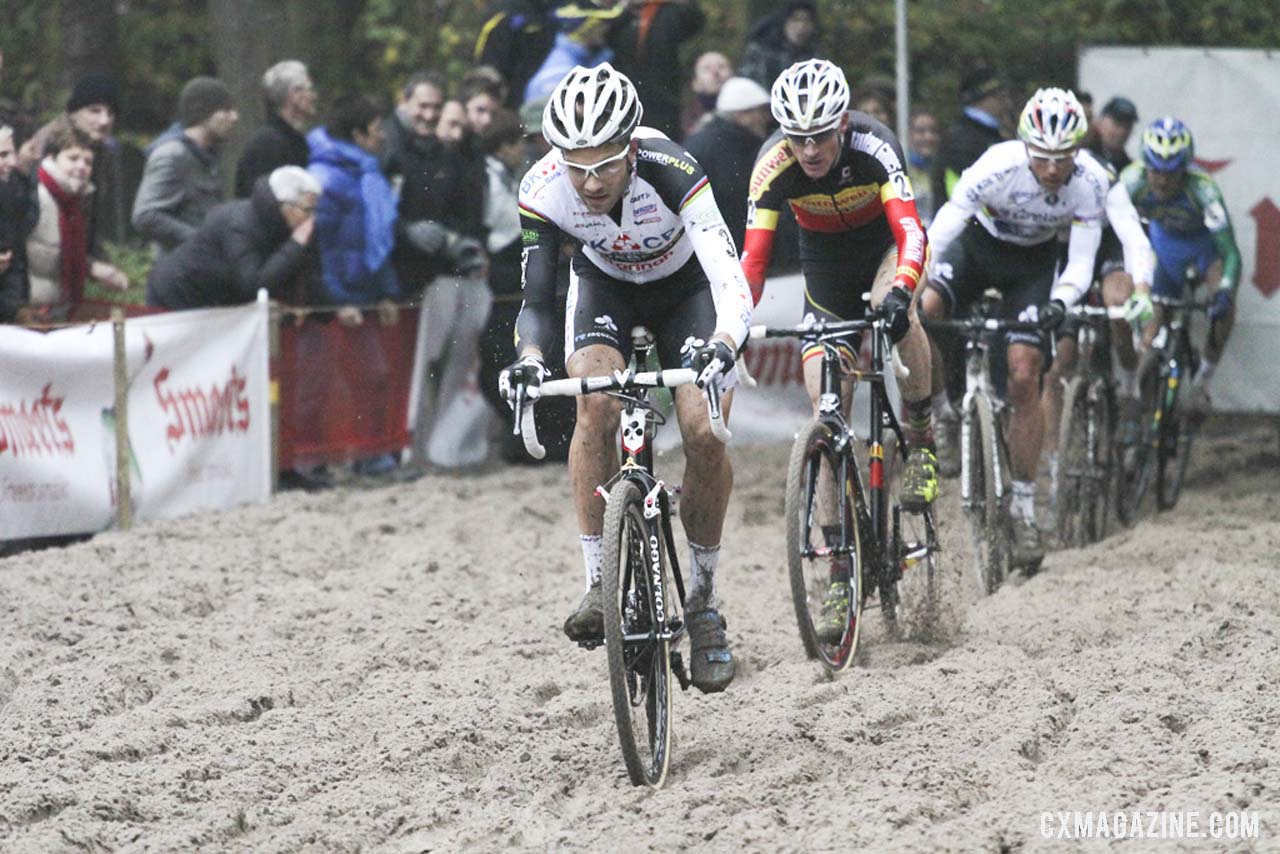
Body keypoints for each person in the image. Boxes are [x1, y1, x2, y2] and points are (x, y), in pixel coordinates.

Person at [499, 63, 752, 692]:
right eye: (574, 164)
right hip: (605, 289)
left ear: (631, 148)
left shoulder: (675, 170)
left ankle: (703, 601)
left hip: (685, 291)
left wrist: (724, 342)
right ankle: (597, 583)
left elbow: (728, 275)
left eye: (604, 166)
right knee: (595, 408)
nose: (588, 182)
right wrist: (529, 358)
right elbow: (535, 296)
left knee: (704, 431)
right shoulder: (542, 187)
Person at [744, 61, 937, 642]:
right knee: (826, 412)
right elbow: (752, 263)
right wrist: (730, 329)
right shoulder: (773, 165)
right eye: (795, 136)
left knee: (896, 318)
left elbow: (911, 232)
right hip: (823, 270)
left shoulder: (876, 146)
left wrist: (903, 291)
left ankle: (922, 433)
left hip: (883, 252)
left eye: (820, 135)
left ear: (843, 124)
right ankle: (836, 573)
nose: (807, 149)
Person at [920, 88, 1108, 566]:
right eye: (1042, 157)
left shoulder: (1089, 184)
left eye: (1062, 158)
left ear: (1078, 152)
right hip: (977, 249)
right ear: (1025, 147)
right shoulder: (996, 164)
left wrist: (1061, 302)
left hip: (1031, 266)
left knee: (1026, 375)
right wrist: (913, 272)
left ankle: (1024, 508)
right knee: (929, 305)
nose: (1051, 169)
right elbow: (945, 227)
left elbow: (1081, 260)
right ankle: (942, 409)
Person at [1041, 146, 1154, 487]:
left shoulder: (1100, 176)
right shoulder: (1028, 178)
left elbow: (1134, 238)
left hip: (1107, 242)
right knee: (1057, 366)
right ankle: (1057, 464)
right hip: (1062, 246)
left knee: (1116, 303)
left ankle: (1130, 387)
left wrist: (1143, 290)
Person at [308, 95, 403, 476]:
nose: (383, 137)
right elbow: (319, 250)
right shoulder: (326, 179)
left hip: (364, 296)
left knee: (373, 376)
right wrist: (334, 301)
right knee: (325, 385)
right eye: (377, 129)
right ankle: (316, 462)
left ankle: (369, 455)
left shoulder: (368, 174)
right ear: (358, 133)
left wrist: (384, 293)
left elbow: (374, 241)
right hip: (338, 302)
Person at [1121, 117, 1241, 417]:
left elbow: (1230, 252)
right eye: (1155, 171)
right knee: (1151, 327)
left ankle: (1203, 380)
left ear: (1184, 169)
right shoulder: (1131, 182)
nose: (1161, 180)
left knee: (1224, 305)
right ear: (1144, 165)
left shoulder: (1203, 189)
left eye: (1171, 174)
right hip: (1164, 250)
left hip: (1204, 249)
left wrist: (1224, 290)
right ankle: (1143, 408)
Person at [928, 64, 1011, 475]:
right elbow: (961, 200)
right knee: (947, 326)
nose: (1004, 100)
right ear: (981, 98)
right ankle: (949, 413)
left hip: (981, 246)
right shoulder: (965, 140)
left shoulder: (988, 137)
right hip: (966, 246)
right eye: (997, 94)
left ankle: (979, 414)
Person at [145, 166, 319, 310]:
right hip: (178, 294)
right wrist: (295, 244)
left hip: (215, 301)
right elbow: (254, 285)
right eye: (307, 210)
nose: (311, 218)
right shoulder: (239, 225)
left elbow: (303, 275)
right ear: (286, 205)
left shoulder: (287, 227)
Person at [24, 123, 130, 322]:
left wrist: (93, 268)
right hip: (28, 314)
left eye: (88, 162)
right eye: (73, 158)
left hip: (58, 310)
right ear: (51, 159)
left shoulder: (75, 202)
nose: (82, 167)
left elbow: (67, 252)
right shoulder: (34, 196)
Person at [19, 72, 129, 249]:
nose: (104, 120)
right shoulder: (48, 144)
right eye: (95, 111)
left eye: (110, 113)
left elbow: (90, 215)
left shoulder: (102, 150)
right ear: (74, 112)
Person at [132, 76, 238, 257]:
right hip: (179, 272)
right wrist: (200, 240)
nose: (234, 117)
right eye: (226, 110)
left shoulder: (207, 156)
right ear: (203, 113)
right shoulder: (172, 155)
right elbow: (145, 216)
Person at [682, 76, 772, 250]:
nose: (766, 118)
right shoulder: (714, 149)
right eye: (760, 112)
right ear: (742, 115)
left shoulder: (744, 144)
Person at [609, 0, 706, 140]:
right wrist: (623, 9)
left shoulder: (671, 12)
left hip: (663, 95)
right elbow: (606, 38)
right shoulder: (623, 13)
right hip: (625, 94)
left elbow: (694, 21)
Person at [234, 60, 317, 198]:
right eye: (310, 89)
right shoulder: (268, 145)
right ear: (294, 94)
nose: (314, 96)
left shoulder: (293, 141)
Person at [522, 2, 623, 104]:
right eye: (600, 23)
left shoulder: (589, 58)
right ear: (585, 28)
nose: (606, 28)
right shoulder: (560, 73)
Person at [474, 0, 558, 109]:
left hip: (550, 96)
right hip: (510, 107)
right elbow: (487, 72)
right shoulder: (501, 17)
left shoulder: (557, 14)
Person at [0, 124, 38, 324]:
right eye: (3, 155)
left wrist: (16, 309)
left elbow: (27, 224)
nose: (13, 162)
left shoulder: (8, 192)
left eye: (12, 153)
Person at [738, 1, 821, 91]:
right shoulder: (760, 51)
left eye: (806, 20)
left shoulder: (814, 56)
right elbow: (748, 86)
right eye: (795, 20)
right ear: (784, 21)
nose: (801, 26)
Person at [680, 50, 732, 137]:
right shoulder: (690, 116)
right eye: (707, 68)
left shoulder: (747, 108)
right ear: (695, 83)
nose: (716, 72)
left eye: (721, 67)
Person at [907, 108, 941, 225]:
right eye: (921, 131)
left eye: (933, 131)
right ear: (909, 134)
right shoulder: (900, 167)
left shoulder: (942, 169)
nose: (928, 137)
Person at [1089, 96, 1138, 173]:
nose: (1122, 131)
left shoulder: (1129, 169)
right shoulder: (1083, 150)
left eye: (1127, 126)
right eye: (1118, 123)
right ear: (1100, 121)